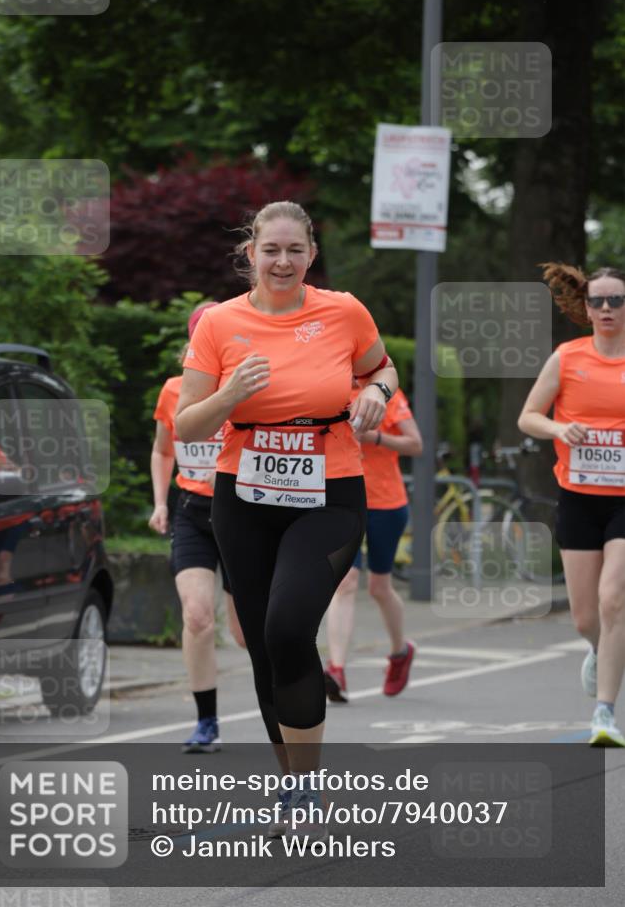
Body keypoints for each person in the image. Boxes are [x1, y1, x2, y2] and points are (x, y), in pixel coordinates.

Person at [175, 201, 399, 829]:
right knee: (262, 653)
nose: (281, 261)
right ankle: (293, 783)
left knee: (286, 628)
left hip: (329, 493)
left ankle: (308, 781)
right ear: (250, 254)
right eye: (269, 250)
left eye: (293, 250)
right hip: (242, 499)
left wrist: (378, 393)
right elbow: (187, 422)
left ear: (310, 255)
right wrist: (230, 394)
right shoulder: (219, 323)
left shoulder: (344, 311)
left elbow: (381, 367)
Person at [518, 263, 625, 747]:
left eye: (616, 300)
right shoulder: (568, 357)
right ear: (585, 307)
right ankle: (600, 650)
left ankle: (605, 712)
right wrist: (560, 429)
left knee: (613, 599)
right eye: (598, 301)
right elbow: (529, 417)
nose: (606, 309)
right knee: (585, 617)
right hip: (579, 497)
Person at [149, 301, 245, 754]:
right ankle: (206, 721)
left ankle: (289, 697)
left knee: (246, 633)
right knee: (196, 615)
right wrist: (160, 502)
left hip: (241, 512)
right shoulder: (173, 391)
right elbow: (163, 450)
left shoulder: (245, 388)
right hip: (190, 512)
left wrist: (227, 471)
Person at [324, 379, 422, 702]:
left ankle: (399, 652)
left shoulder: (384, 392)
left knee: (379, 587)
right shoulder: (329, 389)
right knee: (345, 580)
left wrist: (375, 437)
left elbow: (415, 445)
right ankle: (336, 670)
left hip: (386, 503)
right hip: (342, 500)